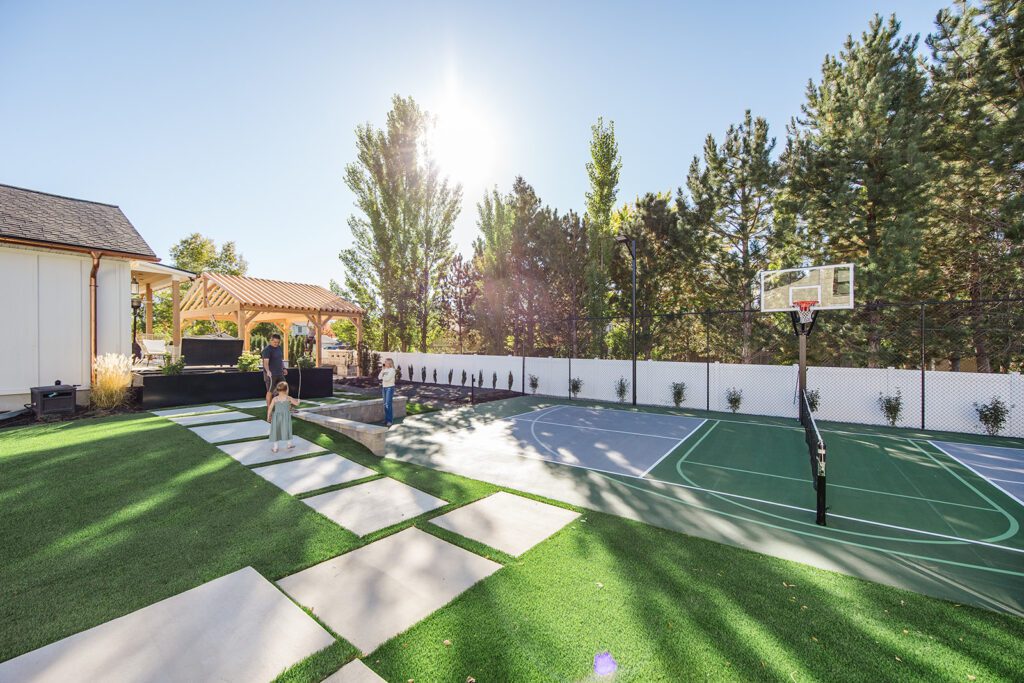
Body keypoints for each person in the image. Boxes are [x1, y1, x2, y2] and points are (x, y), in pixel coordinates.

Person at [266, 381, 299, 453]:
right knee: (287, 429)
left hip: (276, 417)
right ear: (286, 389)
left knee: (275, 431)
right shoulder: (288, 398)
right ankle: (289, 445)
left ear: (277, 390)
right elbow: (296, 403)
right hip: (286, 417)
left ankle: (275, 448)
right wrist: (298, 401)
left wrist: (268, 416)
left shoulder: (275, 399)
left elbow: (270, 408)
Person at [261, 334, 287, 407]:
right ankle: (269, 408)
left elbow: (280, 360)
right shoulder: (267, 350)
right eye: (275, 342)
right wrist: (268, 371)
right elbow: (265, 363)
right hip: (271, 375)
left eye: (278, 342)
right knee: (270, 392)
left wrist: (284, 368)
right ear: (271, 340)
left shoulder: (279, 348)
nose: (276, 344)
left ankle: (285, 406)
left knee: (284, 389)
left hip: (280, 373)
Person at [379, 358, 396, 427]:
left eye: (385, 362)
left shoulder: (392, 370)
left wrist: (383, 376)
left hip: (390, 387)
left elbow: (387, 379)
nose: (384, 363)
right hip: (384, 387)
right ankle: (386, 420)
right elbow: (379, 377)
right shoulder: (384, 370)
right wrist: (382, 371)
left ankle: (389, 421)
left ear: (389, 363)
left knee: (388, 404)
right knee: (385, 404)